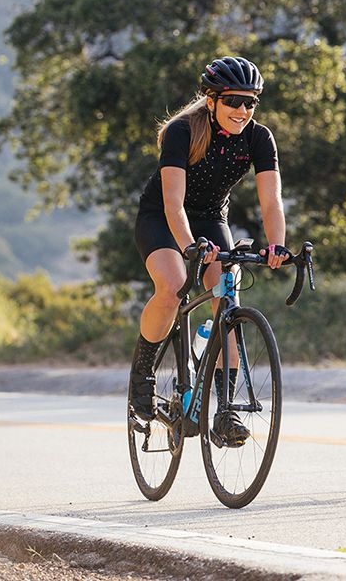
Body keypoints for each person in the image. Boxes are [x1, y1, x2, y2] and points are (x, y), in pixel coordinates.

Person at [129, 56, 289, 446]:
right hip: (164, 218)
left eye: (251, 102)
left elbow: (271, 202)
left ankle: (225, 410)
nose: (243, 111)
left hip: (211, 218)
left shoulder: (258, 137)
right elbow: (172, 203)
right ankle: (143, 372)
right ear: (211, 99)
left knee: (227, 300)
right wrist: (186, 246)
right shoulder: (183, 131)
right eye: (234, 101)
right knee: (173, 284)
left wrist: (277, 244)